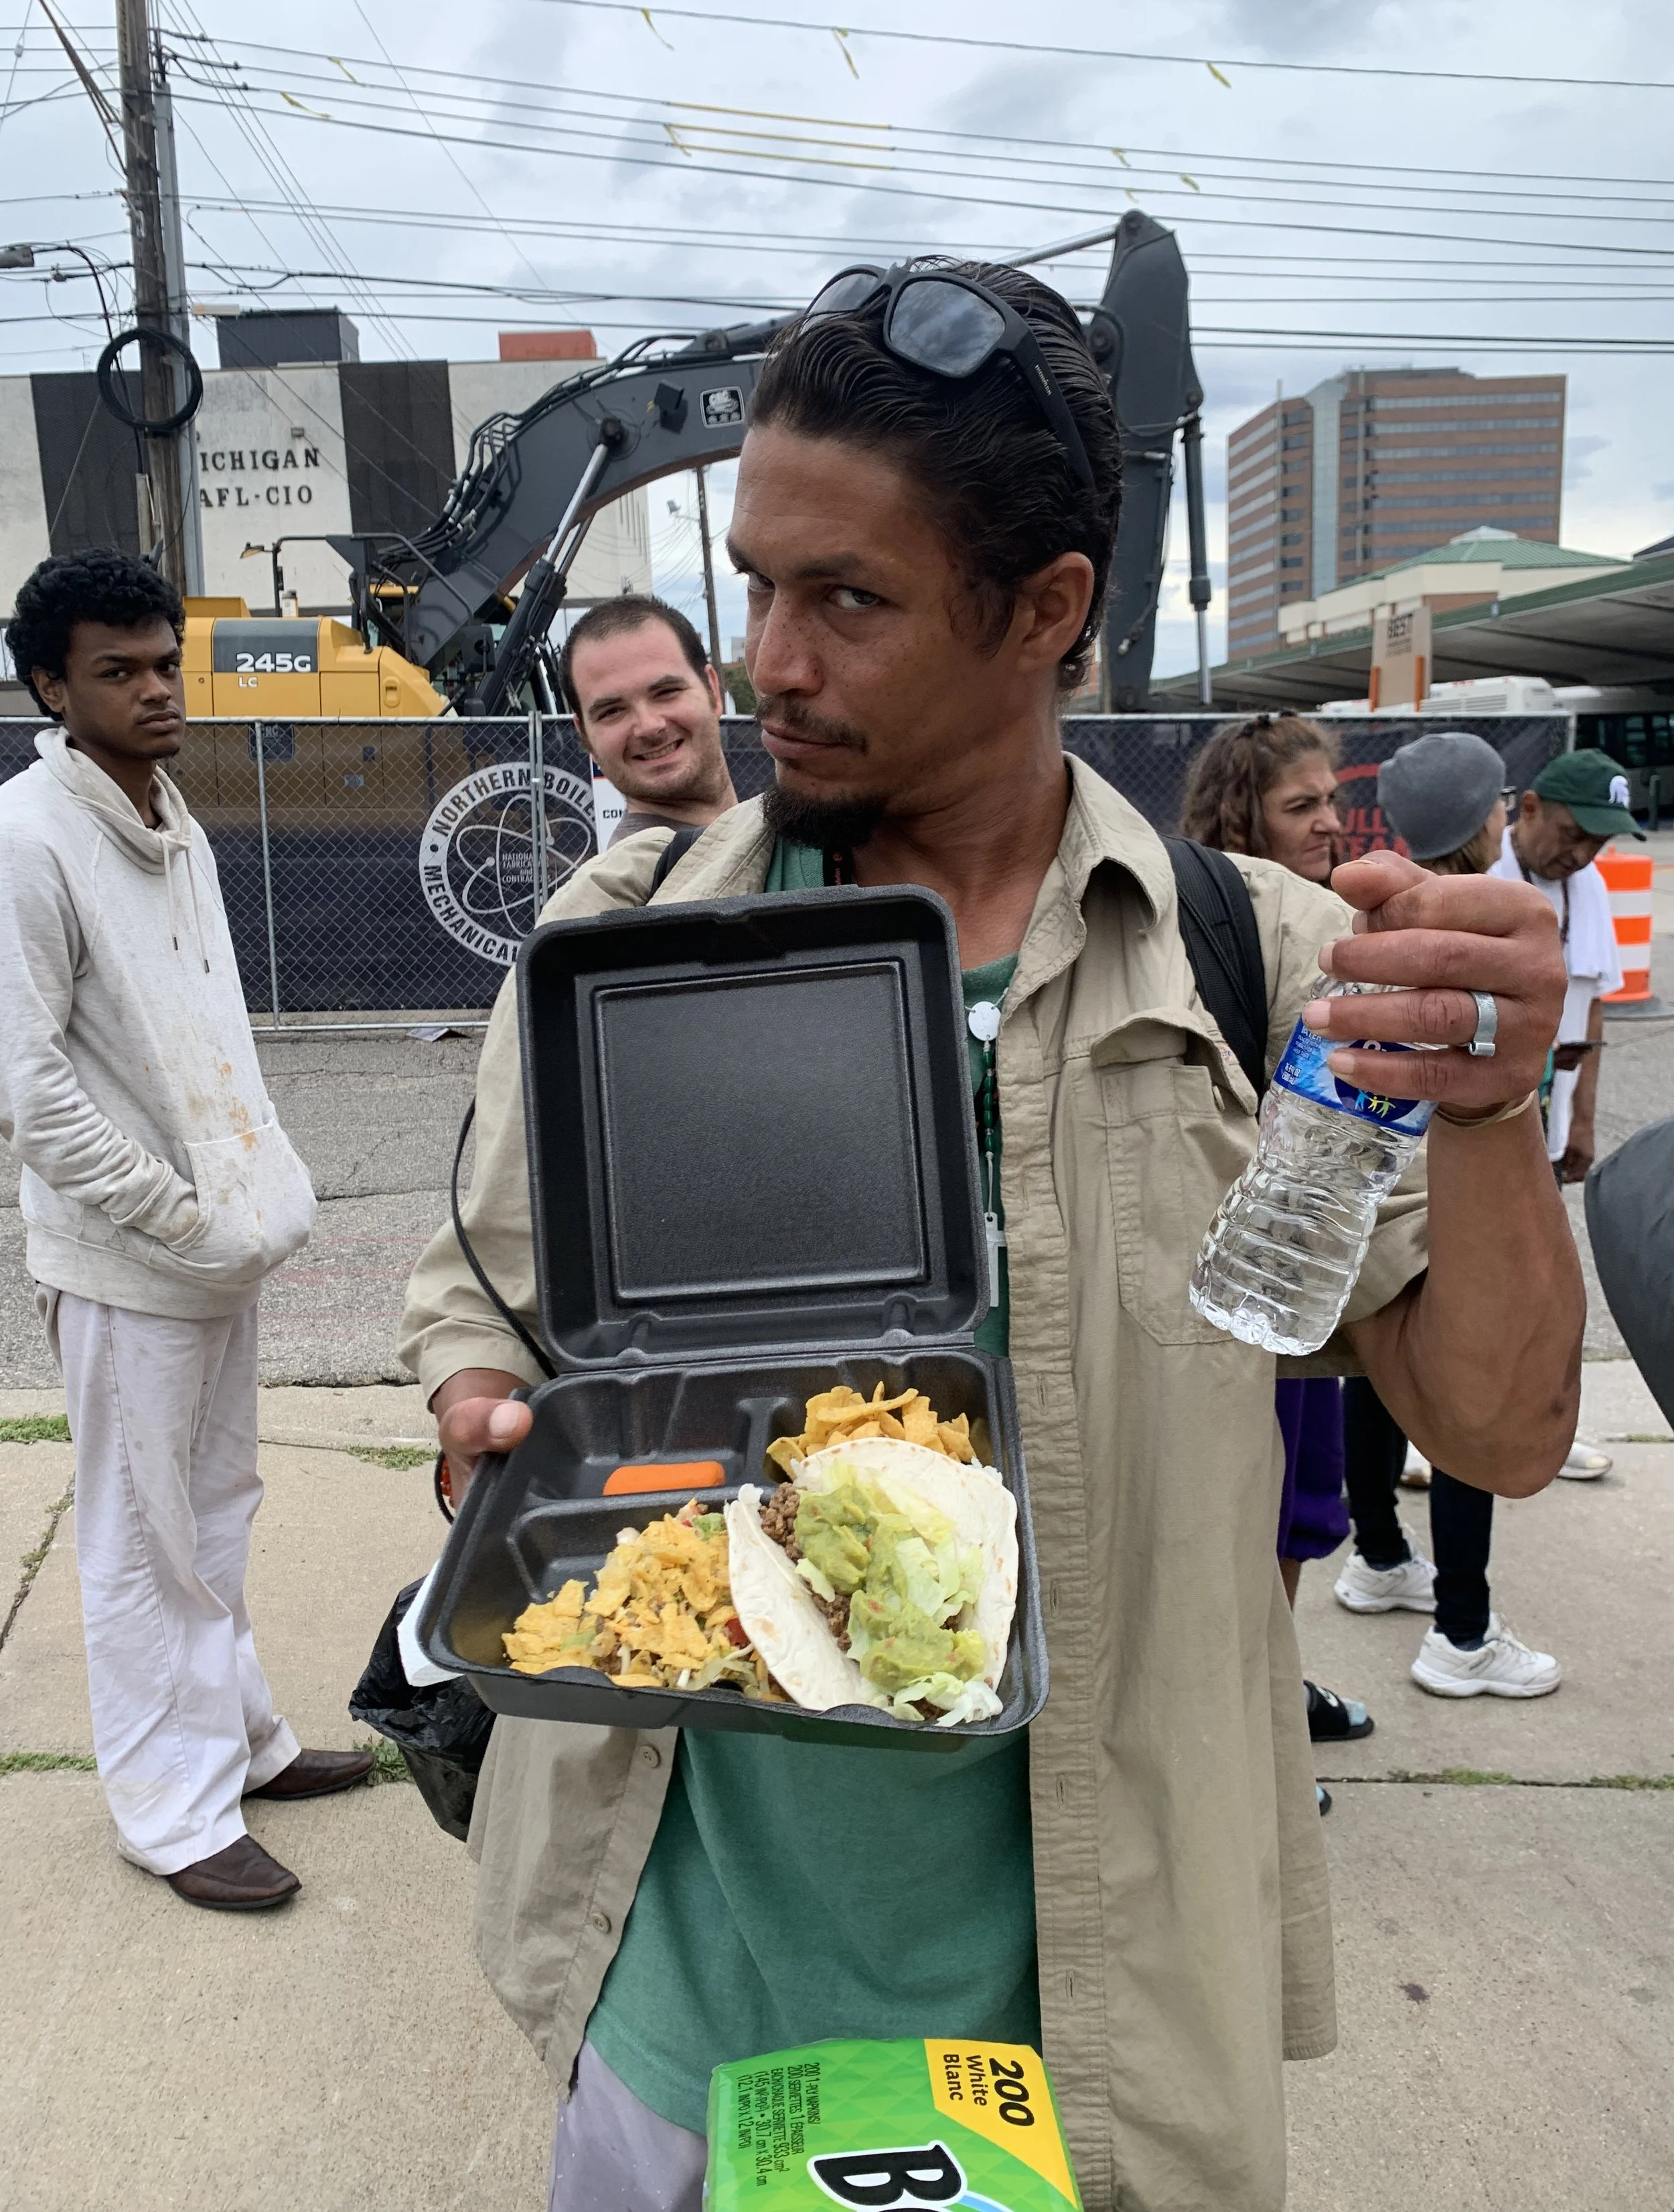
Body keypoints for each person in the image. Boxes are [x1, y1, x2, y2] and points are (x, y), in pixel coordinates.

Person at [400, 259, 1581, 2212]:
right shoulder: (619, 948)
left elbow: (1503, 1431)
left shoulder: (1262, 974)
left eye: (844, 600)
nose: (767, 659)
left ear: (1042, 611)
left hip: (1077, 2025)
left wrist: (1477, 1104)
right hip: (679, 1988)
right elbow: (483, 1282)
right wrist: (471, 1388)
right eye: (756, 581)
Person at [0, 549, 371, 1913]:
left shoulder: (172, 813)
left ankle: (244, 1745)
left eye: (164, 662)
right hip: (126, 1258)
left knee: (213, 1510)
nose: (158, 689)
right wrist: (172, 1214)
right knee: (137, 1535)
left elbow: (207, 1034)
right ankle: (168, 1813)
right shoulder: (27, 833)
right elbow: (29, 1086)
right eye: (119, 670)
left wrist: (249, 1194)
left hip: (216, 1247)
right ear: (50, 684)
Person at [1332, 729, 1562, 1698]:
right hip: (1446, 1177)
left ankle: (1378, 1554)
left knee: (1375, 1372)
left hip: (1365, 1175)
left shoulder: (1367, 919)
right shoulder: (1487, 928)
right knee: (1465, 1388)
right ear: (1485, 818)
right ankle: (1462, 1629)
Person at [1179, 711, 1368, 1787]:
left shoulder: (1333, 922)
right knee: (1235, 1517)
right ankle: (1245, 1734)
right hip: (1228, 1275)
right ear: (1245, 812)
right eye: (1304, 806)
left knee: (1298, 1515)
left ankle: (1273, 1698)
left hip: (1303, 1270)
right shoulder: (1207, 924)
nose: (1331, 824)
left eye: (1332, 801)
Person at [1495, 746, 1641, 1479]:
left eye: (1600, 841)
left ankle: (1542, 1428)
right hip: (1474, 1129)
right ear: (1527, 809)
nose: (1583, 853)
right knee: (1454, 1282)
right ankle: (1436, 1431)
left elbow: (1595, 1008)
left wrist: (1581, 1120)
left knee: (1542, 1288)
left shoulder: (1587, 888)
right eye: (1574, 833)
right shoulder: (1481, 879)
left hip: (1543, 1128)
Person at [558, 592, 737, 845]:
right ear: (585, 737)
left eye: (666, 692)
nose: (649, 727)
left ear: (713, 691)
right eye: (612, 711)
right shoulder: (628, 881)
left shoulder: (777, 832)